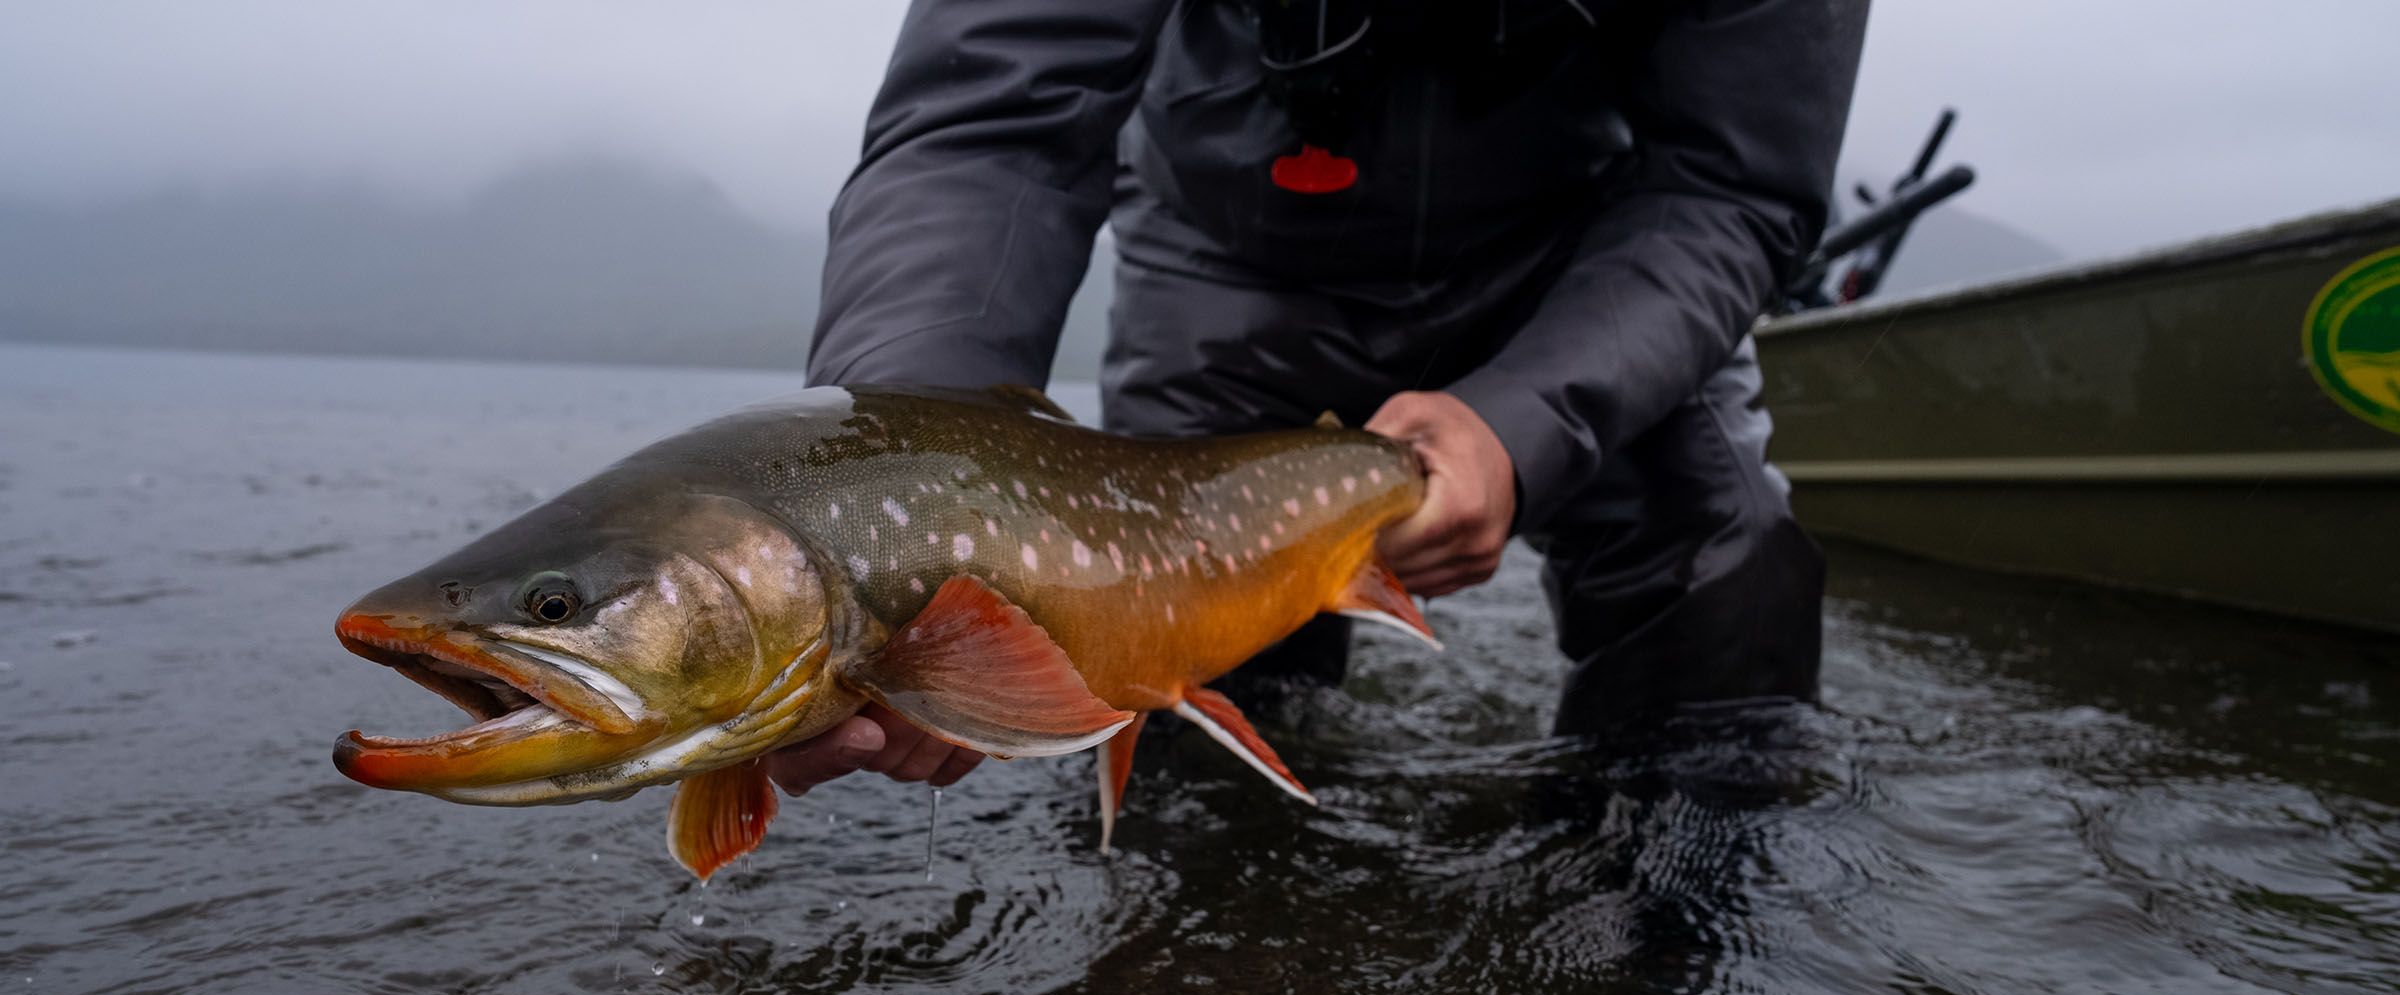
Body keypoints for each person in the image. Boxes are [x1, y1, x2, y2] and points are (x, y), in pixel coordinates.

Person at [767, 0, 1867, 797]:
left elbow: (1732, 183)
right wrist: (891, 529)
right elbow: (991, 128)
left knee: (1727, 587)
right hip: (1230, 262)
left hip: (1592, 258)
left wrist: (1524, 424)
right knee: (1168, 706)